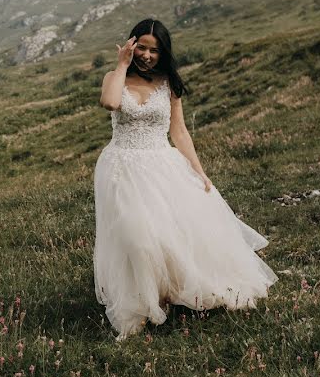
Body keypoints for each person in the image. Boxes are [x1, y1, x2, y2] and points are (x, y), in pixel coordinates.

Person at [95, 18, 276, 340]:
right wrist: (122, 64)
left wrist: (198, 170)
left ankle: (171, 291)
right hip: (123, 165)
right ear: (132, 45)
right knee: (136, 236)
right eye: (143, 48)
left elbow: (179, 131)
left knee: (171, 233)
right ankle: (142, 303)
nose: (147, 56)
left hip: (161, 164)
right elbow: (109, 102)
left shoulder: (169, 84)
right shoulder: (114, 77)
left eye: (155, 50)